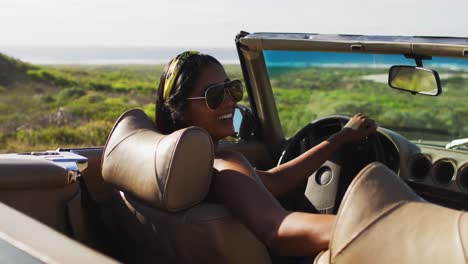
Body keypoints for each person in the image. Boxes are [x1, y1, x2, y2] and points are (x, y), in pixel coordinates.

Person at [155, 51, 377, 256]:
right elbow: (277, 229)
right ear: (181, 109)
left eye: (231, 88)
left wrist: (339, 138)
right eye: (214, 96)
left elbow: (273, 180)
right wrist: (375, 224)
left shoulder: (179, 166)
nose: (231, 101)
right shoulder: (221, 165)